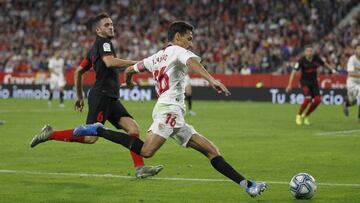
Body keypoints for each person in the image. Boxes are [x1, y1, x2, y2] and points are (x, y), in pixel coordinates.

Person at [72, 21, 267, 198]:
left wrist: (129, 83)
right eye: (188, 39)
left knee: (212, 151)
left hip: (173, 113)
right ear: (177, 37)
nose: (190, 44)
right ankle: (99, 130)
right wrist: (212, 80)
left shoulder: (156, 57)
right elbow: (192, 62)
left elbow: (130, 70)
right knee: (147, 151)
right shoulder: (176, 50)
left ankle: (248, 185)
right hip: (169, 111)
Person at [30, 12, 163, 178]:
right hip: (102, 95)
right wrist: (139, 63)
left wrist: (79, 96)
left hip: (110, 97)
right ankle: (51, 134)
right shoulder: (104, 43)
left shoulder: (94, 48)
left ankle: (139, 168)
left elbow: (79, 72)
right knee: (90, 138)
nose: (111, 27)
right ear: (98, 30)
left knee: (133, 128)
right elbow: (109, 62)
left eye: (112, 24)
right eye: (107, 25)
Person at [286, 45, 336, 125]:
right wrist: (289, 84)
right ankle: (299, 115)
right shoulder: (301, 60)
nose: (309, 53)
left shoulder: (316, 58)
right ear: (305, 53)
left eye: (311, 51)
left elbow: (324, 64)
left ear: (313, 52)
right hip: (305, 82)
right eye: (308, 51)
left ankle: (306, 115)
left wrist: (332, 70)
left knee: (318, 100)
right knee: (308, 98)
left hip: (314, 83)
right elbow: (293, 72)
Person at [342, 43, 360, 120]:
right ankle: (346, 104)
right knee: (353, 102)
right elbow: (350, 73)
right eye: (358, 49)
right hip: (352, 83)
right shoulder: (352, 59)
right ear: (355, 50)